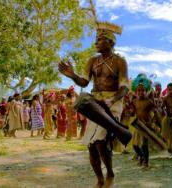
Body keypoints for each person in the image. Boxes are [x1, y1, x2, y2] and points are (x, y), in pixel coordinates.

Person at [58, 21, 128, 187]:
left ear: (110, 42)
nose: (96, 42)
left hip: (113, 101)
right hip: (95, 102)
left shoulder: (120, 61)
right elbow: (83, 82)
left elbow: (124, 87)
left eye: (99, 39)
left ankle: (110, 174)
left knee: (101, 141)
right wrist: (72, 75)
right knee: (91, 145)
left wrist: (112, 99)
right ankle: (99, 179)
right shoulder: (92, 61)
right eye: (96, 39)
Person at [131, 74, 154, 168]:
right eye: (138, 90)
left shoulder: (149, 102)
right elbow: (133, 112)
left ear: (146, 91)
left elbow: (155, 113)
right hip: (137, 125)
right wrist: (130, 113)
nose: (140, 92)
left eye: (142, 90)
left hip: (145, 126)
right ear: (136, 92)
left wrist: (150, 122)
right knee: (135, 145)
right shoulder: (134, 101)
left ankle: (146, 162)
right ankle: (141, 157)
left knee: (144, 145)